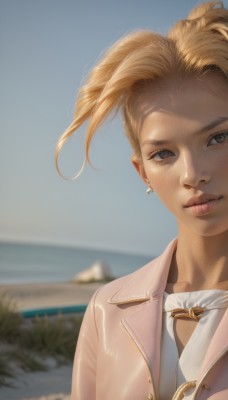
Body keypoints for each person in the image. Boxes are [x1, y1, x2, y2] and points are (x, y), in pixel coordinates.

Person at [56, 1, 228, 399]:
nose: (192, 175)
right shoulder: (106, 309)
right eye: (163, 153)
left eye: (219, 138)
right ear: (142, 172)